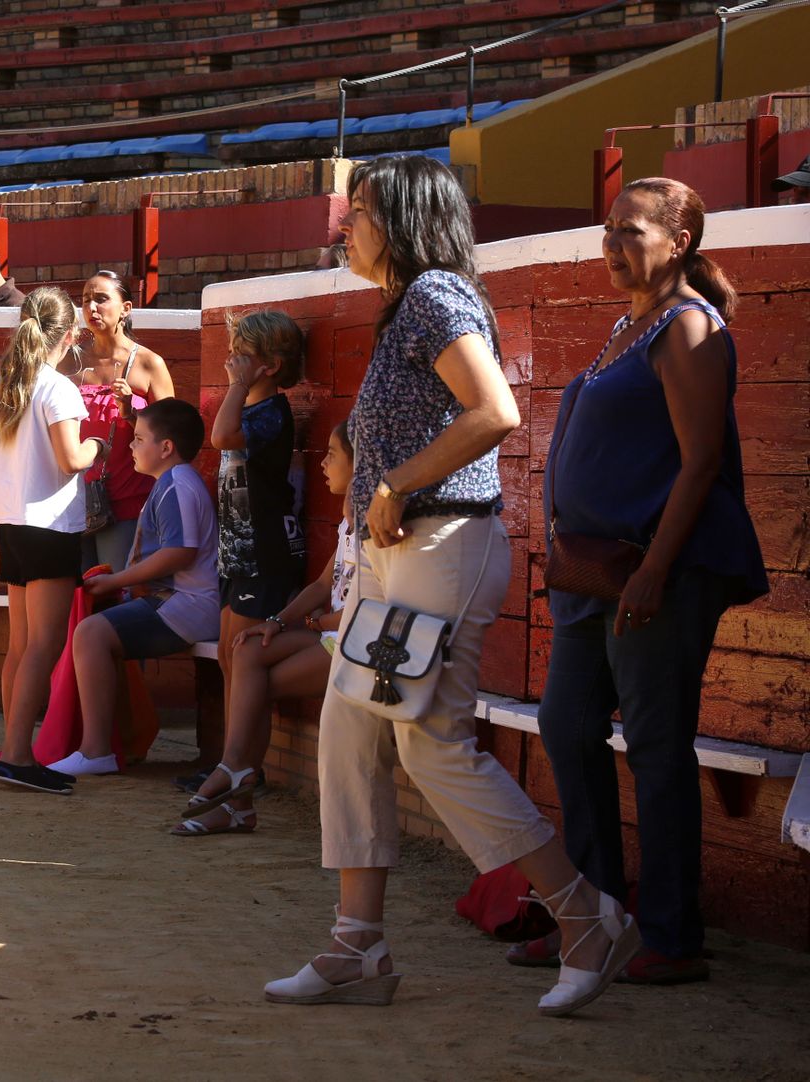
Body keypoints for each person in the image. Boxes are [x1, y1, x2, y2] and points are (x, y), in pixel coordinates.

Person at [263, 156, 638, 1018]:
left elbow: (496, 410)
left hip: (440, 543)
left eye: (357, 212)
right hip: (400, 555)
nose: (342, 228)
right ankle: (357, 947)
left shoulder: (434, 294)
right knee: (348, 734)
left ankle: (587, 917)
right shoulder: (405, 306)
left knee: (430, 741)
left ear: (400, 217)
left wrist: (394, 483)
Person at [516, 178, 768, 984]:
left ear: (680, 240)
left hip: (655, 569)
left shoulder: (690, 326)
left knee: (656, 746)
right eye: (608, 231)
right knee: (565, 726)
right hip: (593, 568)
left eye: (631, 231)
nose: (613, 245)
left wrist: (656, 567)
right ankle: (593, 917)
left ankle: (668, 933)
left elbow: (700, 464)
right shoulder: (629, 326)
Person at [175, 421, 356, 836]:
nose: (322, 462)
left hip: (354, 644)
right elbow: (322, 585)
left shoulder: (377, 523)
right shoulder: (349, 520)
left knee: (256, 684)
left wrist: (312, 622)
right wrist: (277, 621)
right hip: (331, 635)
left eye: (333, 454)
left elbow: (362, 613)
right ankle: (235, 772)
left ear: (360, 464)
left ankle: (237, 789)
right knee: (248, 647)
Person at [0, 286, 107, 795]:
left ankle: (12, 747)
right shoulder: (58, 388)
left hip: (10, 522)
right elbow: (72, 459)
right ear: (68, 336)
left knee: (21, 645)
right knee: (43, 645)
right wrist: (99, 444)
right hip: (50, 526)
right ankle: (18, 755)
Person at [46, 398, 219, 776]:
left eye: (139, 439)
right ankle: (115, 741)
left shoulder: (177, 485)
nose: (130, 446)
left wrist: (118, 580)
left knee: (92, 633)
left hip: (187, 604)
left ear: (166, 448)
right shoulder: (171, 482)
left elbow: (178, 553)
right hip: (176, 600)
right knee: (97, 627)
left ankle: (96, 752)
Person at [199, 311, 307, 789]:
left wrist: (238, 387)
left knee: (242, 659)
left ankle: (242, 767)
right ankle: (232, 762)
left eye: (243, 355)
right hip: (238, 549)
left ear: (270, 365)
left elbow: (221, 437)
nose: (231, 361)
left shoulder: (271, 411)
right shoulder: (251, 408)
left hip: (262, 551)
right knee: (227, 656)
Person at [73, 269, 175, 572]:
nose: (91, 308)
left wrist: (133, 411)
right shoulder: (70, 359)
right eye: (86, 300)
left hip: (128, 501)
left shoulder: (148, 363)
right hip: (72, 499)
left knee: (117, 592)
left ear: (126, 309)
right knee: (76, 597)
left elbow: (173, 436)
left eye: (102, 299)